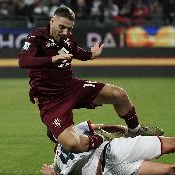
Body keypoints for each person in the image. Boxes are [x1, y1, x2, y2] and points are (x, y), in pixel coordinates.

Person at [18, 6, 163, 153]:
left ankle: (135, 130)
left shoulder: (68, 37)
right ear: (52, 20)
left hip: (71, 87)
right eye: (61, 27)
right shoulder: (37, 37)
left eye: (69, 29)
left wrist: (91, 55)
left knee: (118, 94)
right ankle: (100, 137)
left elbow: (76, 51)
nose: (65, 32)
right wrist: (52, 59)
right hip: (51, 100)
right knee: (73, 145)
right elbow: (23, 61)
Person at [41, 121, 175, 175]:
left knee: (173, 171)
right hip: (115, 149)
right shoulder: (74, 130)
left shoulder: (59, 165)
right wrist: (125, 129)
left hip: (108, 172)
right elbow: (100, 127)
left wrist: (52, 172)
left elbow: (58, 172)